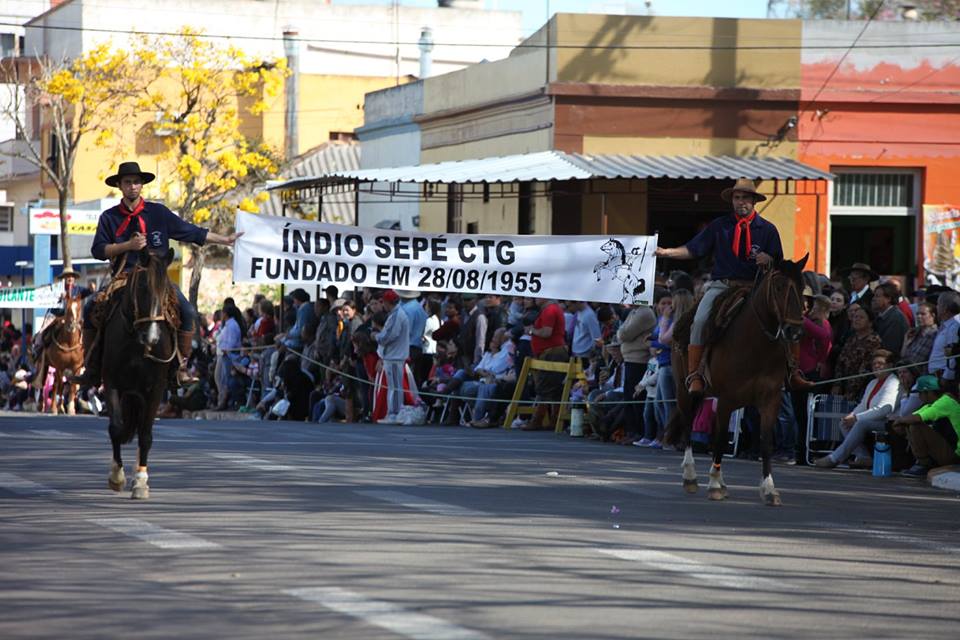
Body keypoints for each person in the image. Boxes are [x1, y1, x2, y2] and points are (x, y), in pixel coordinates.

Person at [72, 162, 242, 387]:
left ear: (142, 185)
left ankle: (180, 367)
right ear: (120, 186)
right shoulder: (109, 217)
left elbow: (191, 231)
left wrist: (226, 240)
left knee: (188, 311)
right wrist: (128, 246)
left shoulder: (158, 213)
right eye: (128, 182)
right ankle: (91, 368)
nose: (133, 186)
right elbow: (99, 250)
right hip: (124, 277)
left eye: (136, 182)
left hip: (156, 278)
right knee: (90, 306)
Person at [655, 177, 811, 394]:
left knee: (788, 317)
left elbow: (780, 266)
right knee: (699, 321)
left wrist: (770, 260)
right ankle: (695, 375)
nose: (741, 202)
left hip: (756, 286)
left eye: (745, 198)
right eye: (737, 198)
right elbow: (693, 249)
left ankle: (793, 372)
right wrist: (667, 252)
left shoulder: (768, 230)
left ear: (754, 201)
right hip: (723, 285)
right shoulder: (720, 226)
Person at [816, 349, 900, 469]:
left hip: (888, 422)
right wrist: (852, 415)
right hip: (872, 420)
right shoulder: (873, 383)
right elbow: (863, 405)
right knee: (844, 423)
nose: (876, 366)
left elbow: (884, 410)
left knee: (861, 424)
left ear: (890, 366)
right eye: (874, 364)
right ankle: (863, 457)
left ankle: (834, 458)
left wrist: (857, 418)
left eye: (881, 363)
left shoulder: (893, 382)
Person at [894, 375, 960, 477]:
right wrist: (900, 423)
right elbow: (912, 416)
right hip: (947, 451)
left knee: (916, 426)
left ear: (928, 392)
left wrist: (900, 420)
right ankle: (922, 462)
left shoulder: (946, 402)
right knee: (908, 424)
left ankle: (923, 464)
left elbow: (918, 418)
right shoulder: (930, 404)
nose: (919, 397)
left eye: (920, 393)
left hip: (956, 455)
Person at [520, 297, 569, 431]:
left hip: (552, 353)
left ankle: (538, 420)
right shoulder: (550, 309)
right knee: (552, 387)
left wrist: (531, 330)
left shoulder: (550, 310)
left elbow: (547, 332)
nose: (535, 298)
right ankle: (553, 419)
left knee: (545, 386)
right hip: (550, 352)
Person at [832, 305, 883, 402]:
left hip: (861, 390)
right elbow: (840, 362)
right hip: (843, 387)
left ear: (870, 322)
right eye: (855, 317)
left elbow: (865, 370)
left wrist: (851, 392)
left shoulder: (874, 341)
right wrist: (837, 384)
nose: (857, 320)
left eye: (861, 317)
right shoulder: (851, 338)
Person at [374, 289, 410, 424]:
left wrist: (376, 337)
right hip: (394, 356)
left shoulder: (396, 315)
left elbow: (388, 336)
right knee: (393, 387)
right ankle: (393, 413)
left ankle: (394, 414)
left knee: (395, 387)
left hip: (395, 357)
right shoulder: (397, 314)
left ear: (388, 303)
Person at [872, 281, 910, 355]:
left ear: (888, 299)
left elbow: (889, 348)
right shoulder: (880, 315)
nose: (873, 299)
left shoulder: (896, 318)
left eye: (877, 296)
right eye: (874, 296)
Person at [901, 301, 938, 373]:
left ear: (933, 316)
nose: (919, 316)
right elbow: (903, 355)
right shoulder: (915, 332)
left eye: (923, 314)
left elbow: (916, 360)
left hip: (921, 374)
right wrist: (906, 341)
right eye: (917, 314)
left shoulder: (933, 334)